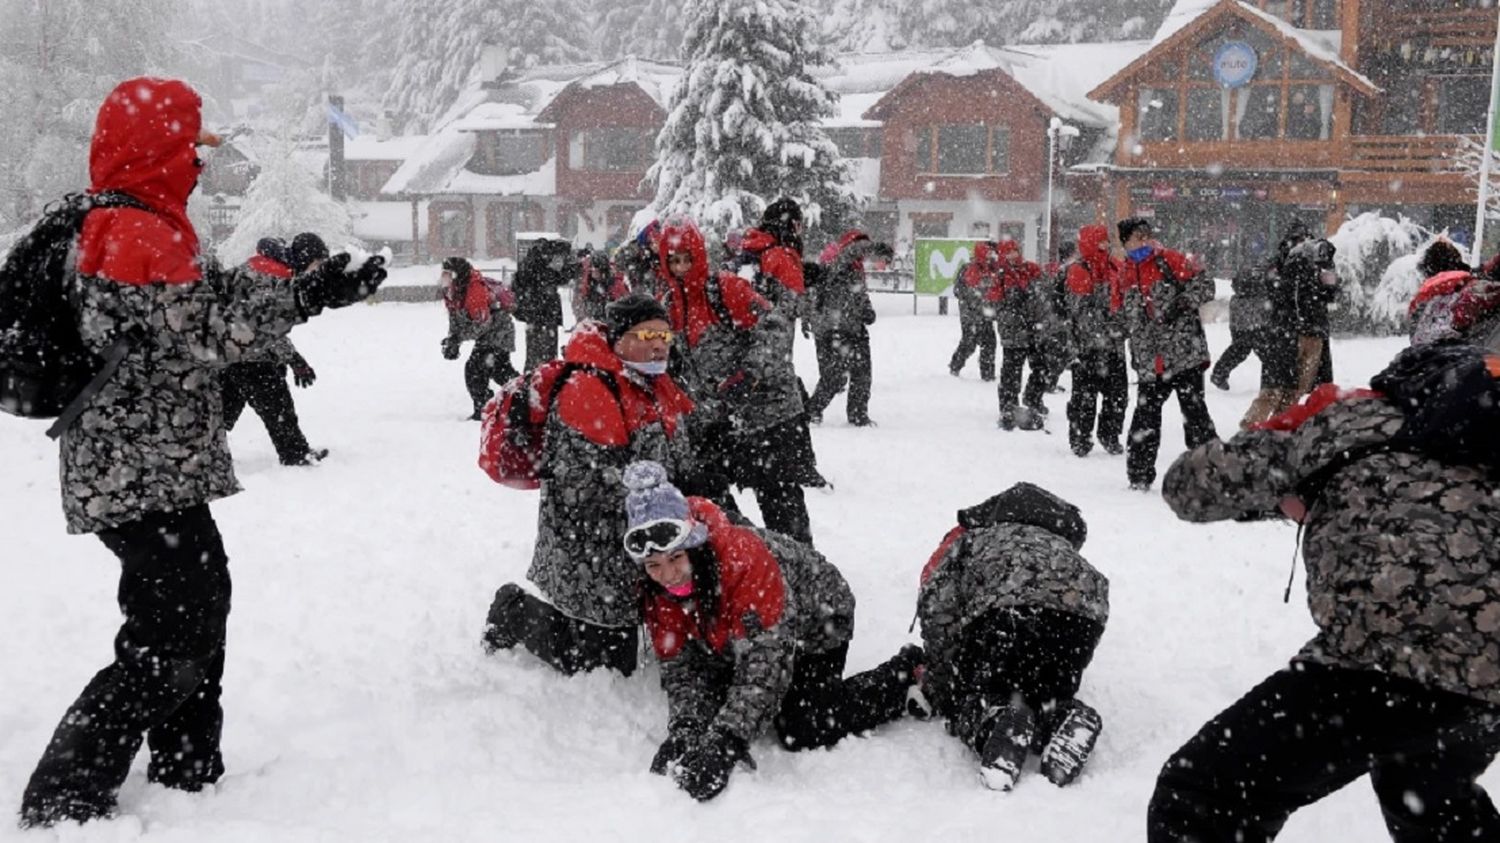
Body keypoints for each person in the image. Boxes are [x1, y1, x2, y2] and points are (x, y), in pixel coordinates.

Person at [18, 77, 386, 829]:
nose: (197, 163)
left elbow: (214, 304)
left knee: (191, 604)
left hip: (148, 466)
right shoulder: (132, 235)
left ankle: (189, 761)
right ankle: (66, 787)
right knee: (178, 623)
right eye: (189, 148)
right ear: (158, 149)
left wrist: (306, 290)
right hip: (137, 468)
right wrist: (306, 298)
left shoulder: (140, 223)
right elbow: (207, 329)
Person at [1149, 345, 1500, 843]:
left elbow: (1188, 487)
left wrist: (1292, 438)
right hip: (1485, 668)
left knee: (1203, 795)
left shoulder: (1350, 415)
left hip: (1393, 655)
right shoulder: (1485, 436)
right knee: (1426, 788)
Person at [624, 461, 923, 802]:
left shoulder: (743, 563)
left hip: (817, 623)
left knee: (801, 725)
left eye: (676, 558)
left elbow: (765, 669)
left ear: (693, 545)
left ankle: (904, 678)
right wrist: (686, 729)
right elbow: (681, 664)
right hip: (729, 632)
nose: (668, 574)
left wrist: (726, 742)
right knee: (716, 698)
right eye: (654, 565)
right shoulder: (657, 589)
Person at [481, 293, 696, 676]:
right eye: (648, 334)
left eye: (665, 335)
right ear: (618, 338)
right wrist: (666, 497)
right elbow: (586, 482)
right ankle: (513, 610)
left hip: (637, 539)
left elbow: (671, 450)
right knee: (599, 663)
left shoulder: (651, 382)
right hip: (588, 548)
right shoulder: (588, 388)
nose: (660, 343)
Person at [916, 482, 1108, 791]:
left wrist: (942, 677)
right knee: (1043, 687)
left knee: (972, 694)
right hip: (1082, 620)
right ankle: (1063, 715)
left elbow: (938, 609)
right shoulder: (1056, 542)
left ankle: (993, 721)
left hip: (1008, 614)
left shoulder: (975, 539)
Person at [657, 218, 821, 545]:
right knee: (709, 495)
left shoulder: (725, 289)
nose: (681, 267)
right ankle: (749, 555)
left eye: (687, 258)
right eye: (673, 261)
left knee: (778, 497)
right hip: (718, 418)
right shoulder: (668, 307)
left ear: (699, 256)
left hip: (766, 413)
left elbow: (774, 327)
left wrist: (750, 373)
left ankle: (801, 564)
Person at [1116, 217, 1218, 490]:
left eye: (1146, 236)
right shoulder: (1124, 274)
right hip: (1150, 362)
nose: (1143, 242)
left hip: (1184, 355)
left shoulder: (1169, 260)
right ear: (1125, 242)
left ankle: (1210, 473)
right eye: (1137, 238)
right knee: (1145, 418)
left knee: (1195, 416)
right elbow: (1120, 316)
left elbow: (1206, 286)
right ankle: (1139, 475)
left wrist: (1182, 302)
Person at [219, 236, 327, 466]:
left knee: (220, 411)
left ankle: (198, 454)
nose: (314, 272)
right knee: (279, 408)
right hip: (252, 356)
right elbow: (264, 327)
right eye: (316, 265)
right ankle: (295, 455)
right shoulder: (269, 276)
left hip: (231, 352)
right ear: (305, 259)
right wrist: (294, 359)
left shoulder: (264, 269)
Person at [805, 230, 890, 427]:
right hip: (836, 327)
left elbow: (858, 294)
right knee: (836, 376)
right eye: (861, 247)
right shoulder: (837, 262)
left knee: (862, 373)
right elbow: (852, 252)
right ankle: (812, 410)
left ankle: (858, 414)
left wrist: (868, 310)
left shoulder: (854, 267)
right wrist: (874, 247)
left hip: (852, 325)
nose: (864, 253)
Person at [1239, 221, 1313, 429]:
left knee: (1294, 387)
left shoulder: (1311, 263)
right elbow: (1277, 291)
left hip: (1302, 331)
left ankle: (1282, 424)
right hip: (1280, 331)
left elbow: (1323, 293)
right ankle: (1252, 424)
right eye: (1300, 240)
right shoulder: (1278, 263)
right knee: (1273, 387)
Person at [1063, 224, 1128, 457]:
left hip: (1114, 344)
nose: (1106, 245)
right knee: (1084, 398)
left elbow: (1125, 300)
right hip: (1087, 346)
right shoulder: (1078, 270)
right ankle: (1080, 438)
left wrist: (1121, 325)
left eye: (1107, 241)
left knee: (1118, 395)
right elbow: (1080, 311)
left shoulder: (1115, 267)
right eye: (1101, 241)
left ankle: (1110, 434)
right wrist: (1112, 321)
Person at [440, 256, 518, 420]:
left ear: (456, 275)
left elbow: (483, 323)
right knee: (498, 370)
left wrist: (459, 338)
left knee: (476, 369)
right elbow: (454, 318)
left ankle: (486, 408)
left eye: (447, 273)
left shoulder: (474, 288)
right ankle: (524, 395)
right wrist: (452, 340)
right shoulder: (451, 291)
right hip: (488, 333)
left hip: (499, 331)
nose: (443, 277)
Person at [988, 238, 1049, 431]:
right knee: (1011, 372)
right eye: (1008, 252)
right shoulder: (1000, 275)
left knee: (1040, 367)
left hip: (1033, 328)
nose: (1012, 255)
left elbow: (1044, 294)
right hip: (1013, 331)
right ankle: (1008, 408)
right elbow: (994, 303)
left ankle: (1032, 399)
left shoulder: (1031, 269)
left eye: (1014, 251)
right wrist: (1011, 307)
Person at [1287, 235, 1339, 397]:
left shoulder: (1316, 268)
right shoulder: (1299, 269)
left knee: (1306, 374)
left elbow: (1329, 294)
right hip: (1307, 326)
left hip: (1312, 326)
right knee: (1301, 375)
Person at [1210, 257, 1271, 391]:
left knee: (1241, 348)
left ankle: (1219, 373)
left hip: (1241, 314)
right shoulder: (1264, 271)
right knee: (1267, 352)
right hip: (1254, 316)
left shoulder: (1248, 269)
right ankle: (1271, 385)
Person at [513, 238, 574, 369]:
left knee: (533, 354)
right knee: (548, 354)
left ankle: (532, 378)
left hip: (533, 317)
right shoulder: (543, 270)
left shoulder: (526, 266)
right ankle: (545, 377)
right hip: (546, 315)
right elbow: (563, 276)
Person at [949, 241, 1000, 381]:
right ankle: (955, 366)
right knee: (969, 343)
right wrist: (977, 303)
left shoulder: (992, 269)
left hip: (984, 314)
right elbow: (959, 291)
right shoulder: (968, 269)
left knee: (989, 343)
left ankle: (987, 374)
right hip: (971, 315)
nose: (992, 255)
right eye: (989, 252)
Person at [571, 246, 627, 322]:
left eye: (596, 269)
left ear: (603, 270)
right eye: (592, 268)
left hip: (612, 323)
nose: (593, 271)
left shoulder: (616, 284)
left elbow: (624, 305)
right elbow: (579, 302)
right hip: (592, 322)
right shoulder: (587, 282)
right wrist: (582, 318)